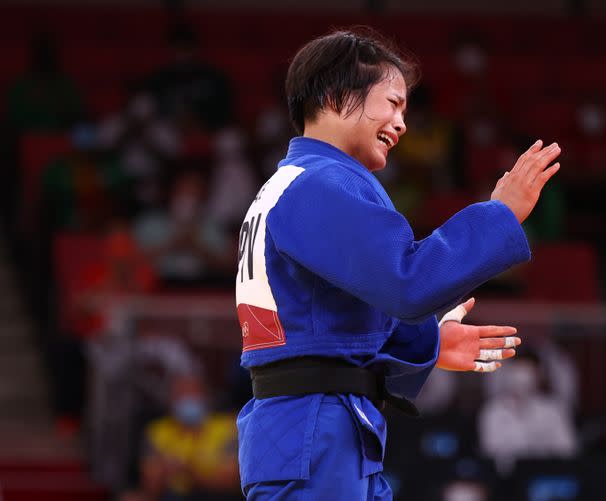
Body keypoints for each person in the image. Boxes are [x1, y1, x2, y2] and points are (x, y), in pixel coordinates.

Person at [235, 29, 561, 500]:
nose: (401, 122)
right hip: (314, 428)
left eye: (404, 108)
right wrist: (501, 215)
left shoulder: (295, 183)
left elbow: (334, 315)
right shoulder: (320, 184)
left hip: (314, 426)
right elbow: (405, 282)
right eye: (391, 102)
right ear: (334, 96)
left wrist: (428, 342)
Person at [137, 373, 240, 501]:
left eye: (194, 393)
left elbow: (231, 481)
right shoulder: (157, 432)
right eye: (182, 394)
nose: (188, 399)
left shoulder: (228, 428)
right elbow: (150, 487)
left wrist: (189, 472)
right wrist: (164, 471)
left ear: (207, 397)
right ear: (171, 400)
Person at [478, 353, 579, 474]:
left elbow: (567, 450)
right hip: (505, 478)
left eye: (528, 371)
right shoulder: (492, 411)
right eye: (518, 370)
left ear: (539, 375)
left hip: (544, 475)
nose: (522, 377)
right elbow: (489, 450)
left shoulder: (554, 409)